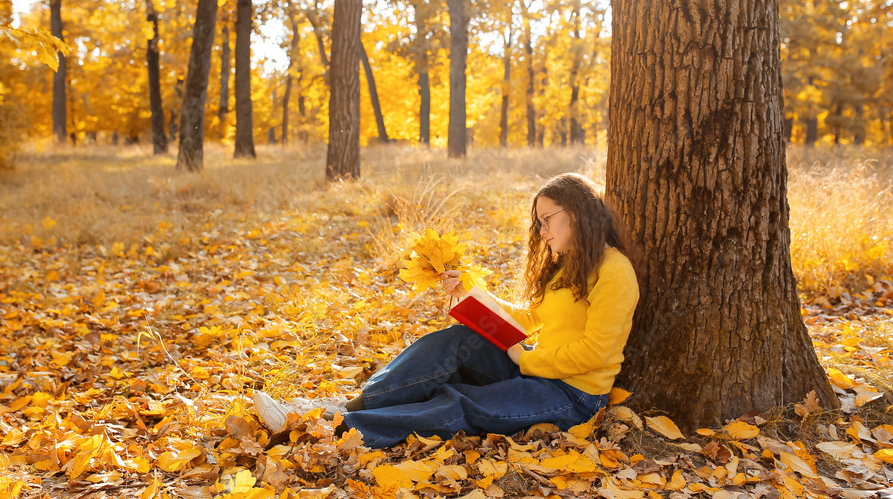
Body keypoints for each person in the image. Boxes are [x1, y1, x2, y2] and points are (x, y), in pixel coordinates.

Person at [251, 172, 640, 449]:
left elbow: (596, 353)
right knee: (455, 342)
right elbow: (527, 318)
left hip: (574, 396)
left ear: (577, 211)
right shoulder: (568, 265)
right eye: (538, 223)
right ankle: (339, 408)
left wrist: (526, 359)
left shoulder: (615, 272)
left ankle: (335, 429)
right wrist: (469, 291)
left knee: (459, 401)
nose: (542, 232)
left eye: (546, 220)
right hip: (536, 367)